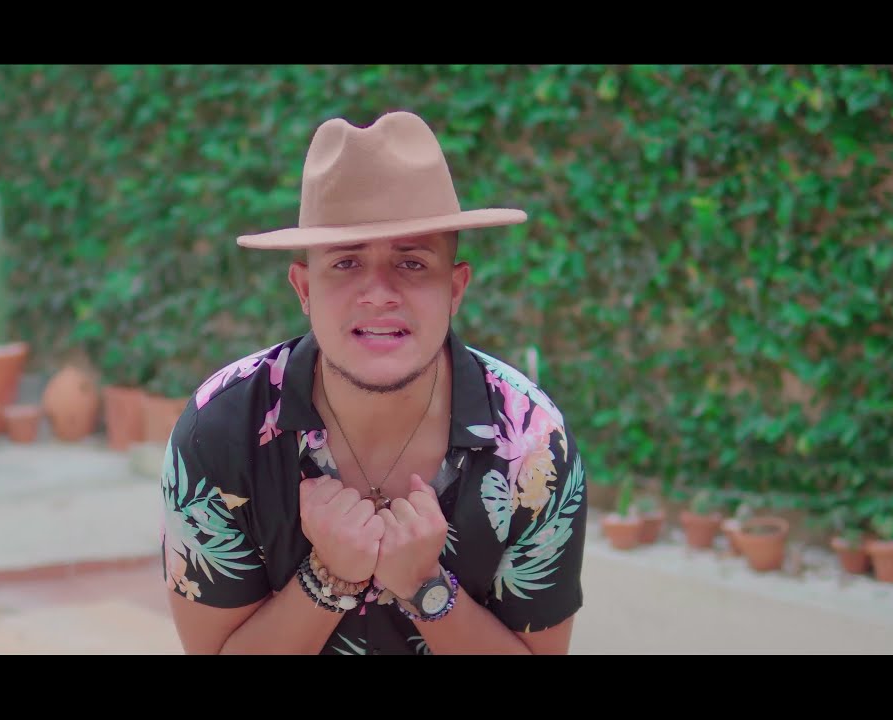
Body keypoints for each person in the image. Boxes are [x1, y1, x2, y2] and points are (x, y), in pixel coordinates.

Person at [159, 110, 587, 655]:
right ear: (304, 288)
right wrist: (327, 579)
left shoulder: (534, 444)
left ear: (455, 289)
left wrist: (425, 587)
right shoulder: (220, 429)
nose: (379, 293)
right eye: (345, 263)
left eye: (412, 263)